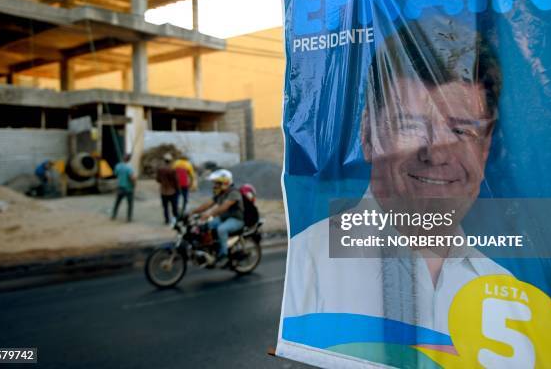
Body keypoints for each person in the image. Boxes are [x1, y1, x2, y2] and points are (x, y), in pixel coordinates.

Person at [282, 20, 510, 336]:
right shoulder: (304, 269)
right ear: (367, 134)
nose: (437, 153)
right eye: (410, 126)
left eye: (461, 131)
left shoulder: (507, 294)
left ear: (485, 149)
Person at [190, 169, 244, 267]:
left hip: (236, 219)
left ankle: (223, 255)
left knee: (221, 229)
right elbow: (207, 204)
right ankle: (211, 248)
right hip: (225, 218)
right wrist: (193, 212)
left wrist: (209, 214)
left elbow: (224, 207)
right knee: (206, 226)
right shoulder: (221, 193)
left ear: (225, 182)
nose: (215, 186)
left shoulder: (234, 193)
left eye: (217, 183)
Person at [111, 154, 136, 222]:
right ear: (129, 159)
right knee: (130, 204)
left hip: (120, 187)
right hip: (128, 188)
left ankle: (113, 215)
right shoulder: (129, 168)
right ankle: (129, 218)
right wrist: (134, 185)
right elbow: (132, 178)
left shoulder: (118, 166)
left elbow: (115, 174)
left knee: (117, 202)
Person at [156, 153, 179, 226]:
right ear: (170, 160)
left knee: (165, 207)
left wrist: (163, 182)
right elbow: (176, 181)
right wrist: (178, 189)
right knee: (174, 207)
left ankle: (166, 220)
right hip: (172, 191)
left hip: (163, 191)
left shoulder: (160, 169)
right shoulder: (172, 169)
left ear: (164, 160)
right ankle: (175, 220)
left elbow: (158, 179)